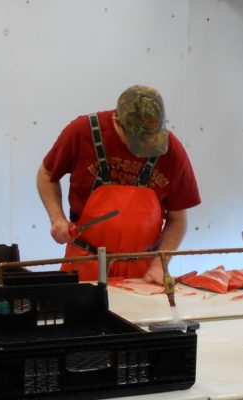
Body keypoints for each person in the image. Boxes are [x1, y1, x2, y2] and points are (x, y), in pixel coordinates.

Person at [37, 85, 201, 283]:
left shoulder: (172, 151)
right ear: (117, 121)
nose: (143, 150)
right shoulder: (83, 131)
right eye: (137, 141)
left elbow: (178, 220)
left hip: (142, 270)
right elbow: (46, 175)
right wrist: (57, 219)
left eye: (150, 142)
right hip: (85, 263)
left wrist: (159, 265)